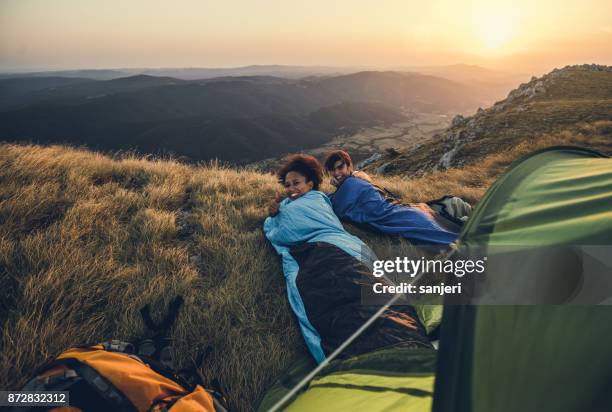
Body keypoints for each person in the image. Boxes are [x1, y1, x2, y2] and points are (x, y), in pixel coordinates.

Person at [263, 154, 431, 363]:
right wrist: (276, 213)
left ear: (310, 183)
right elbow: (277, 228)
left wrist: (275, 220)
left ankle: (403, 344)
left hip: (334, 246)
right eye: (287, 185)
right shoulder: (285, 205)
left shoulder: (318, 199)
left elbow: (281, 233)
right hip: (310, 253)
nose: (291, 188)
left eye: (296, 183)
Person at [324, 150, 471, 246]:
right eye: (332, 170)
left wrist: (339, 188)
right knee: (448, 231)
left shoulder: (351, 184)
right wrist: (339, 188)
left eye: (340, 168)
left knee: (448, 239)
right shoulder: (356, 180)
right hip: (404, 212)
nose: (336, 173)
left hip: (401, 217)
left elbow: (333, 205)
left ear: (349, 166)